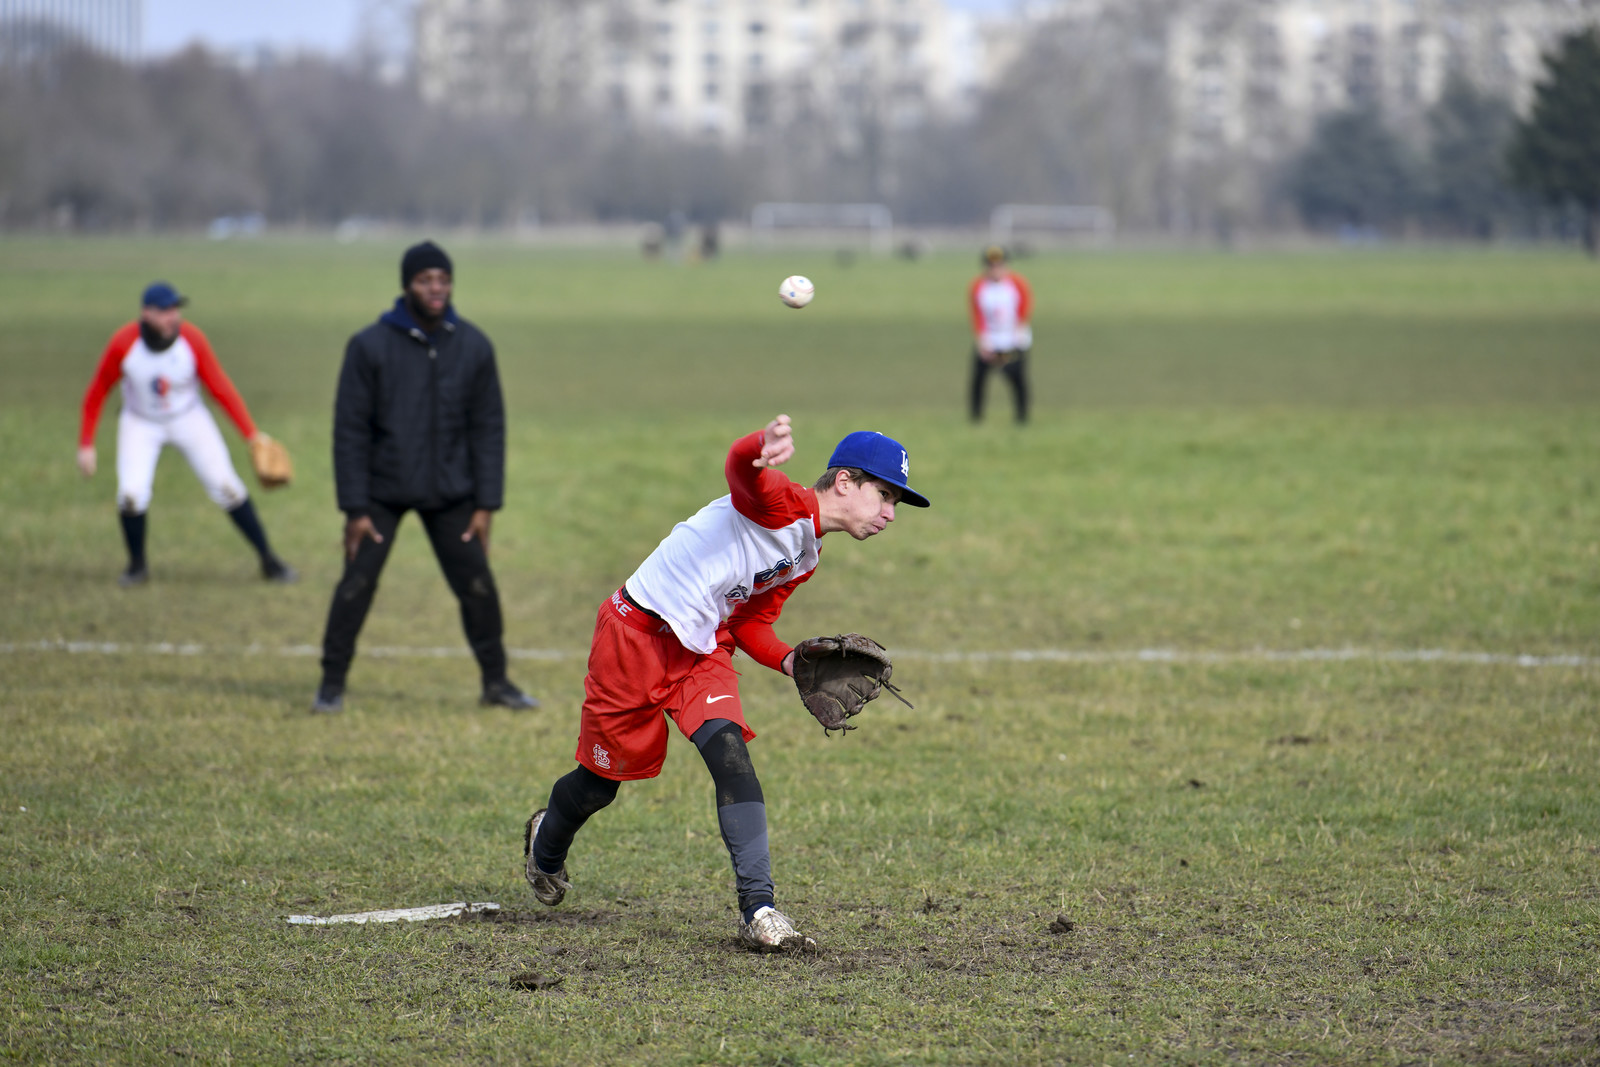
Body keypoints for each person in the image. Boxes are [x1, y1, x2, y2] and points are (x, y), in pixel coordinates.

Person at [522, 415, 930, 952]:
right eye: (884, 495)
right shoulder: (778, 502)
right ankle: (545, 844)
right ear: (846, 482)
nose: (889, 513)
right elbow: (741, 470)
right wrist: (758, 446)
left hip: (703, 649)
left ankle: (759, 909)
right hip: (633, 637)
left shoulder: (807, 553)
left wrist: (790, 662)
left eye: (895, 503)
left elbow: (747, 623)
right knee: (599, 784)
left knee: (732, 757)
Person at [311, 241, 537, 715]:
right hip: (381, 492)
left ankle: (496, 682)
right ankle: (330, 684)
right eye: (425, 280)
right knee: (356, 583)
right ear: (406, 285)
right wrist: (354, 508)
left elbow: (488, 428)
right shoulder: (369, 346)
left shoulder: (474, 346)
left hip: (452, 492)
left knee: (478, 585)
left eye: (443, 279)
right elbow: (348, 430)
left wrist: (485, 504)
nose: (436, 288)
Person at [77, 282, 297, 587]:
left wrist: (252, 435)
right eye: (165, 311)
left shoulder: (191, 340)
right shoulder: (124, 344)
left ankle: (270, 561)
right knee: (131, 495)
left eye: (175, 310)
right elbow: (96, 392)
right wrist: (86, 444)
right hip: (140, 422)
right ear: (146, 314)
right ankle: (137, 567)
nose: (172, 317)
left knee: (227, 488)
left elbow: (220, 388)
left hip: (188, 417)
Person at [968, 245, 1034, 424]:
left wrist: (1017, 337)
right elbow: (976, 314)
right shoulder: (979, 286)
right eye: (991, 266)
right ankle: (976, 418)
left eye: (999, 265)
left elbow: (1024, 309)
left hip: (1012, 339)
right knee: (979, 380)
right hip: (990, 340)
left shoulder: (1016, 284)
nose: (995, 270)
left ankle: (1022, 418)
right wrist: (982, 340)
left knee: (1017, 379)